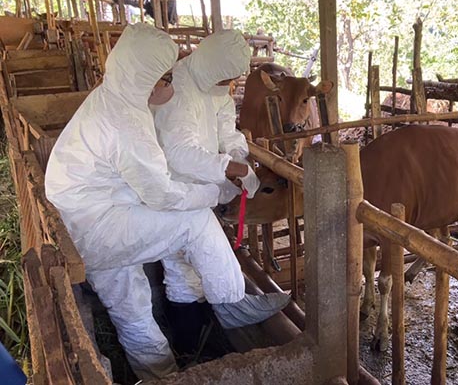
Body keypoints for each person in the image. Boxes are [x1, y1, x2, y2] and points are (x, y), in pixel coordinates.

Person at [44, 23, 288, 381]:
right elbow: (162, 192)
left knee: (132, 308)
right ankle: (232, 303)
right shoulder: (127, 123)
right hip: (98, 225)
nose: (170, 86)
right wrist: (215, 191)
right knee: (196, 222)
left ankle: (163, 374)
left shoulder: (119, 97)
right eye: (165, 78)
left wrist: (232, 158)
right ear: (144, 79)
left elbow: (220, 131)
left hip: (86, 218)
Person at [151, 29, 264, 355]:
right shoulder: (178, 91)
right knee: (179, 267)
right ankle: (189, 345)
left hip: (203, 190)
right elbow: (179, 153)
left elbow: (226, 128)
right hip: (173, 189)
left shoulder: (215, 85)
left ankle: (201, 336)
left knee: (197, 264)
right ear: (213, 65)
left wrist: (238, 155)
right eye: (226, 77)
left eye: (233, 79)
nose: (229, 85)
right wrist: (230, 168)